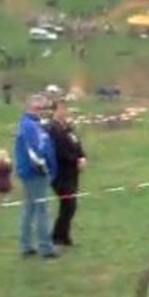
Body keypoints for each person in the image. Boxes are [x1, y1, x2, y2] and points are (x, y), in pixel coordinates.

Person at [15, 94, 58, 258]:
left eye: (44, 109)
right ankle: (46, 247)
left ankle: (25, 245)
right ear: (32, 108)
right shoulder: (29, 126)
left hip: (33, 172)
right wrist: (44, 168)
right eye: (40, 109)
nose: (42, 112)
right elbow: (34, 151)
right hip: (35, 173)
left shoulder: (35, 125)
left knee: (30, 209)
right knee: (42, 210)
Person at [47, 100, 87, 247]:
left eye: (66, 108)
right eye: (61, 109)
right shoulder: (53, 129)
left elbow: (77, 144)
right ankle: (57, 236)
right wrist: (74, 160)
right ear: (55, 111)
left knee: (70, 206)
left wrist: (82, 156)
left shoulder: (68, 127)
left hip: (73, 173)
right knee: (68, 204)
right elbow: (60, 151)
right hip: (61, 174)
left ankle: (63, 235)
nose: (65, 111)